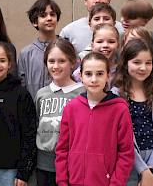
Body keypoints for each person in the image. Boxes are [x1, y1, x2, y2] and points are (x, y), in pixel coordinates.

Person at [56, 53, 134, 186]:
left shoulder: (120, 109)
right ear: (80, 76)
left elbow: (126, 153)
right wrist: (62, 181)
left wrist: (116, 183)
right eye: (88, 74)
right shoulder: (71, 108)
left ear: (108, 76)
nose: (93, 79)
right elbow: (62, 150)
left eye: (99, 74)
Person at [111, 39, 153, 186]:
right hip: (126, 159)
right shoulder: (115, 95)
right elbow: (121, 138)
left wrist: (150, 169)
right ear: (125, 63)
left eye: (148, 63)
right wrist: (142, 170)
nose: (143, 68)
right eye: (137, 62)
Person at [0, 42, 37, 186]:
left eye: (2, 60)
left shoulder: (21, 93)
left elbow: (29, 133)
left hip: (12, 167)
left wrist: (24, 171)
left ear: (10, 64)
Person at [34, 38, 84, 186]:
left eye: (62, 61)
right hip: (44, 165)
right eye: (51, 61)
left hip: (73, 165)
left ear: (73, 62)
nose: (56, 66)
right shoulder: (41, 94)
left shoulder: (82, 93)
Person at [60, 0, 124, 52]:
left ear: (109, 0)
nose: (97, 0)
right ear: (86, 1)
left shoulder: (122, 31)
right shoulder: (69, 32)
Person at [18, 0, 61, 100]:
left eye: (52, 14)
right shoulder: (26, 54)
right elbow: (21, 85)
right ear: (34, 22)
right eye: (43, 15)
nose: (49, 18)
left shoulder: (66, 49)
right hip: (34, 108)